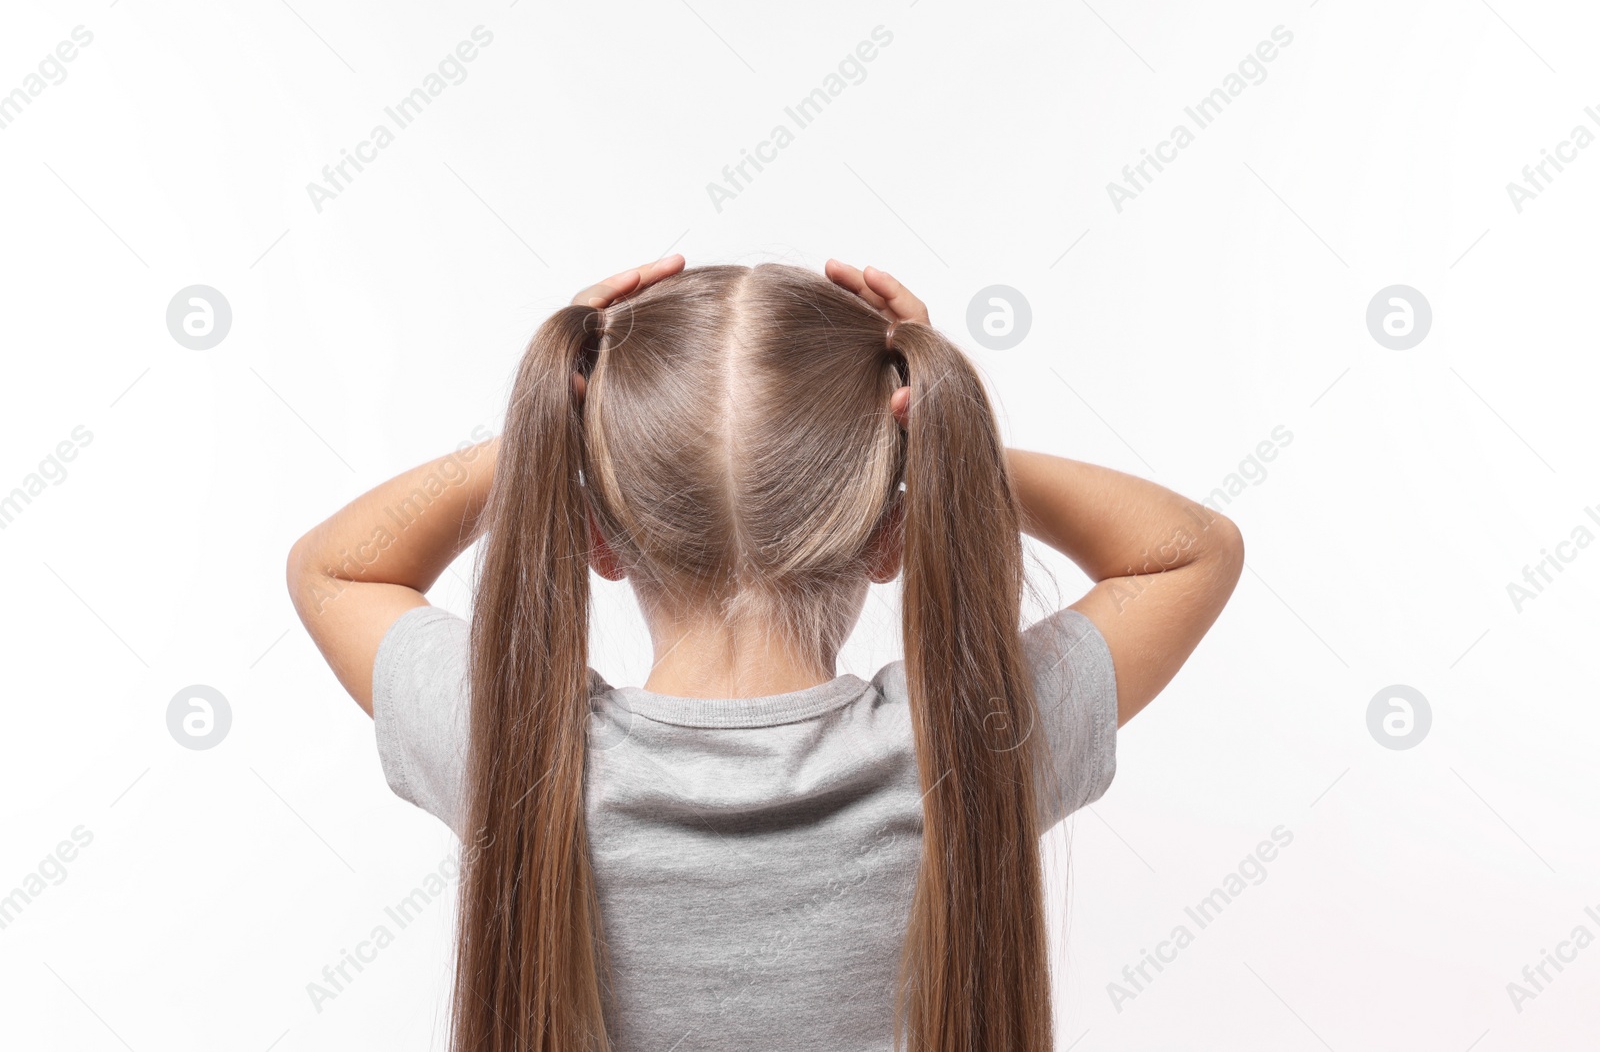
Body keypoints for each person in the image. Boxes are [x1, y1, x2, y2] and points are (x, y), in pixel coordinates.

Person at [286, 254, 1244, 1051]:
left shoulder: (521, 752)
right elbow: (1189, 551)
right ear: (889, 535)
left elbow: (336, 571)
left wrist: (546, 436)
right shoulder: (969, 743)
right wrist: (950, 443)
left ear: (598, 537)